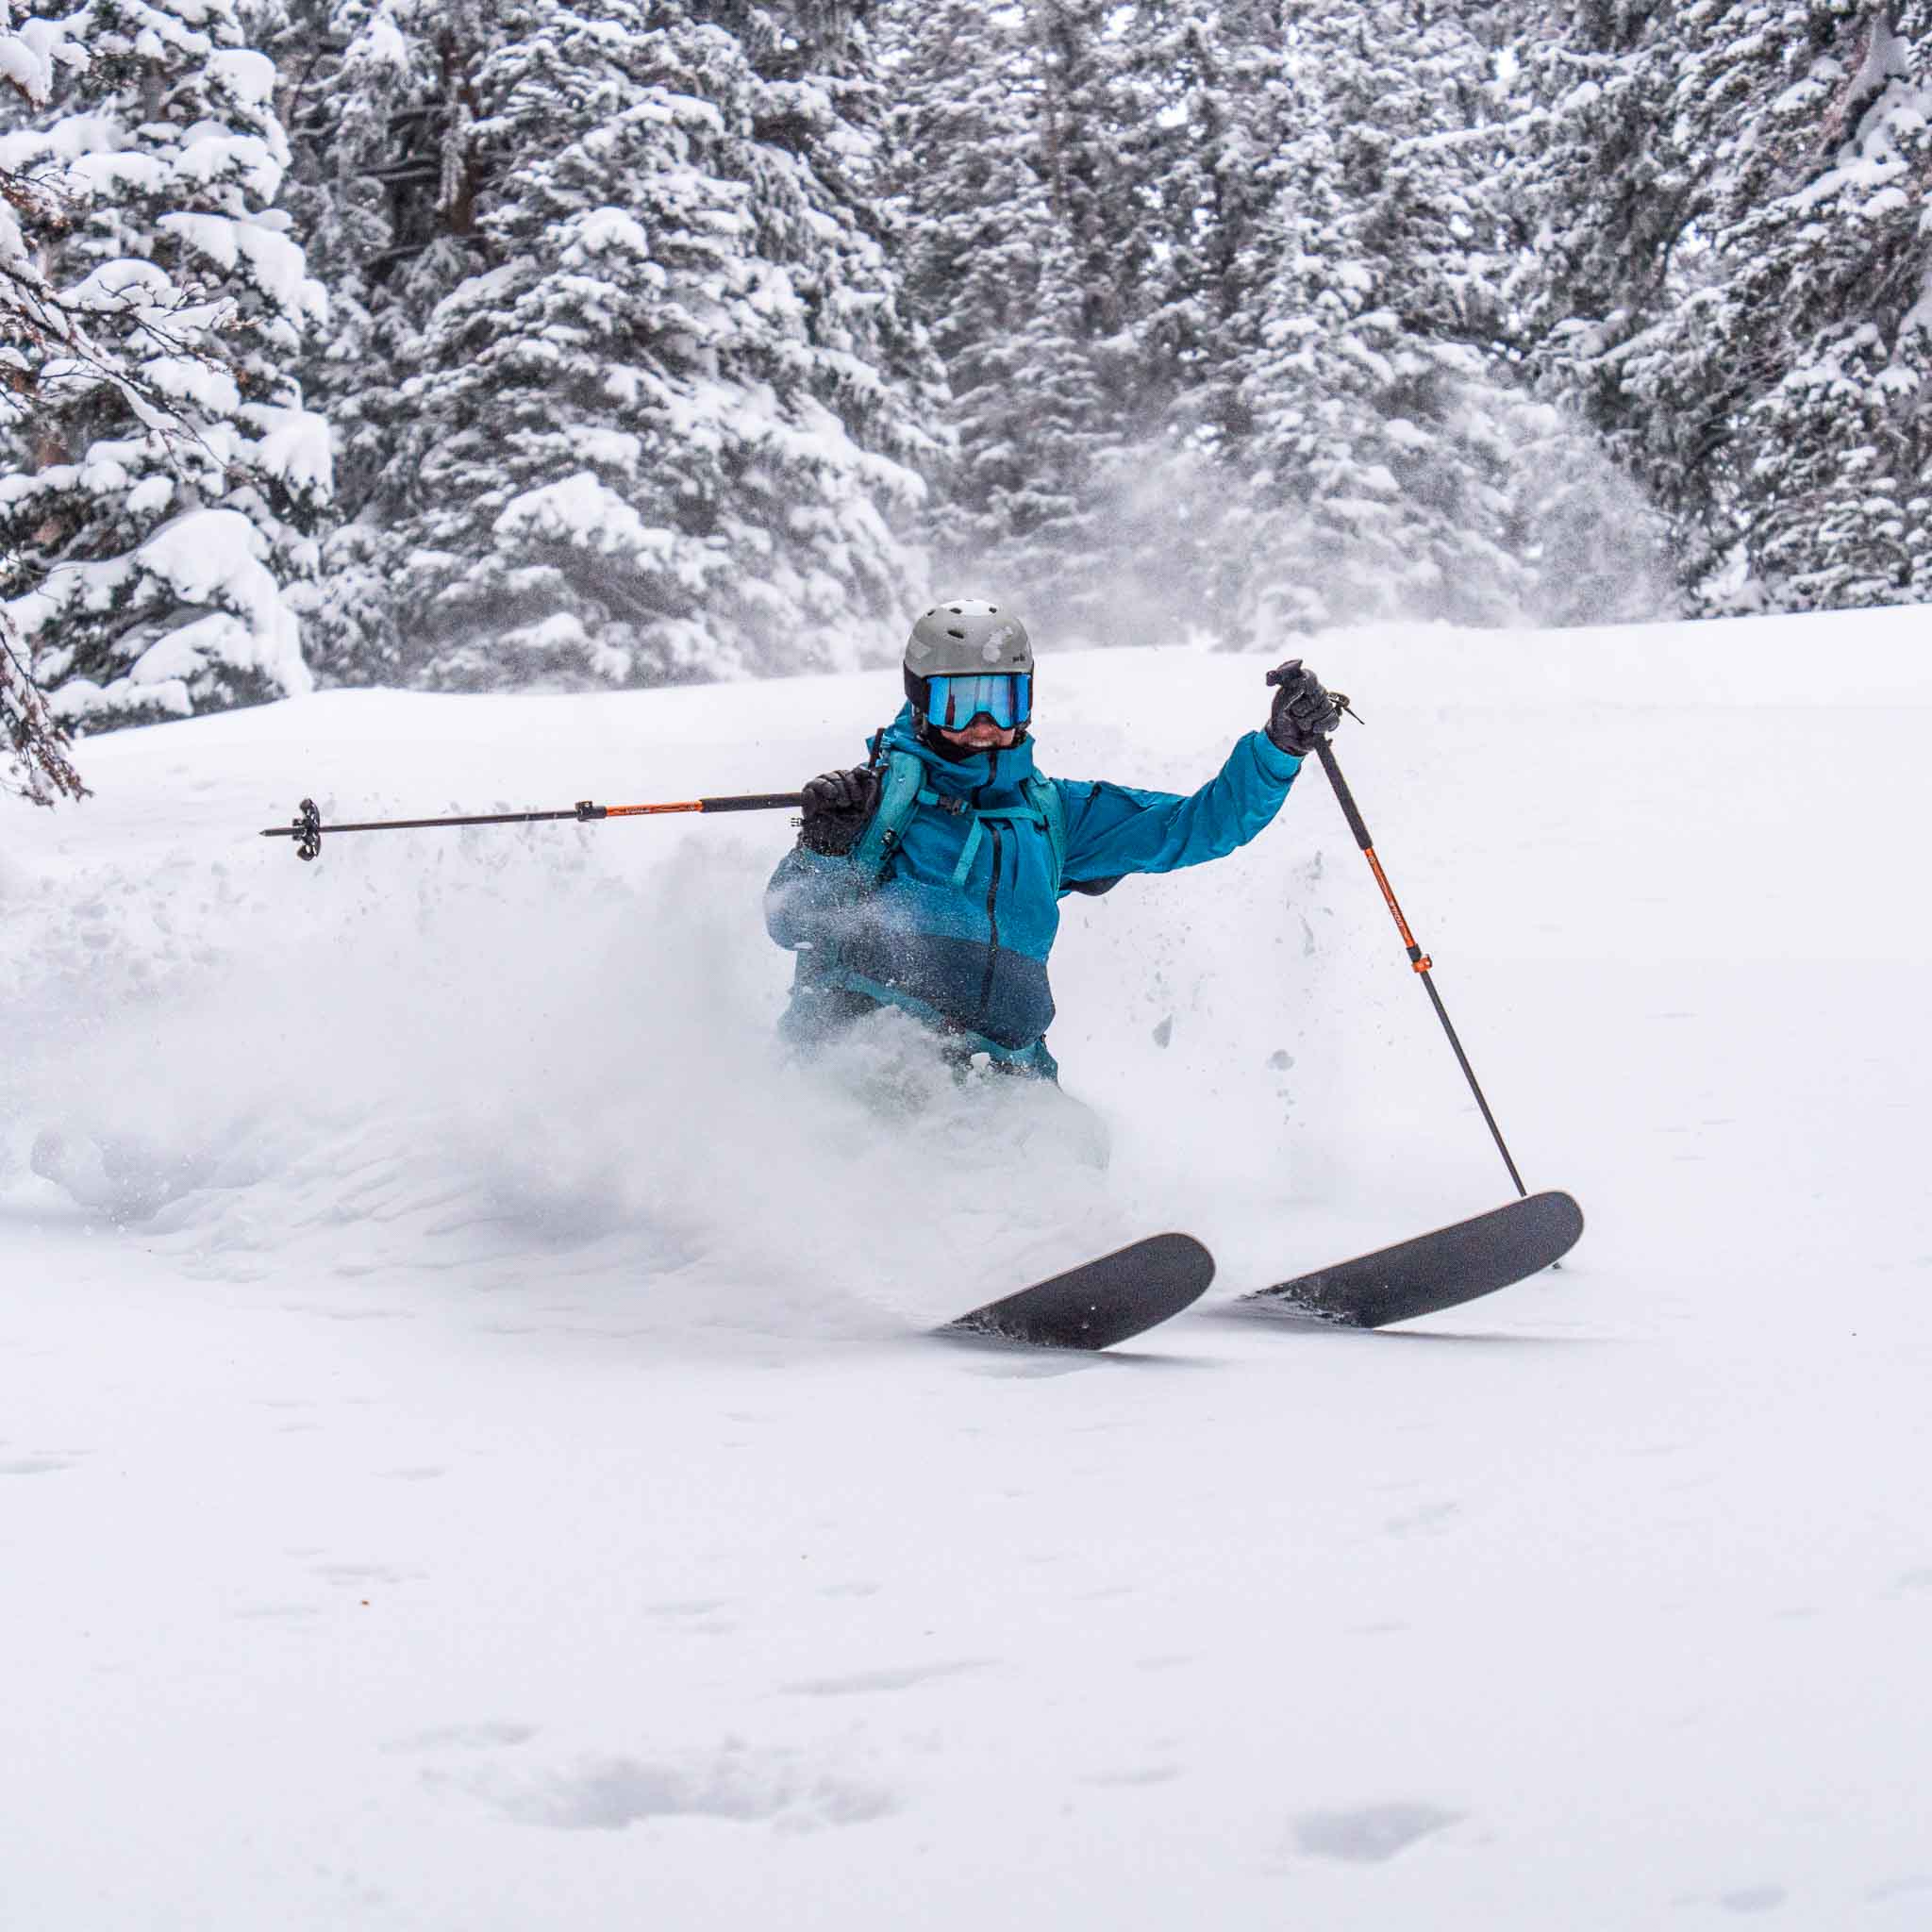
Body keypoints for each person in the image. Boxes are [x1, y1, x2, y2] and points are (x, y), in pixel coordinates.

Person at [764, 599, 1341, 1082]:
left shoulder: (1051, 813)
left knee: (1072, 1147)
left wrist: (1280, 747)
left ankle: (1075, 1221)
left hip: (1002, 1070)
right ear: (921, 702)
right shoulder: (874, 806)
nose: (984, 723)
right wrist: (823, 850)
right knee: (928, 1141)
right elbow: (791, 925)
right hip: (866, 1059)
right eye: (959, 702)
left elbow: (1197, 826)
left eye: (1004, 699)